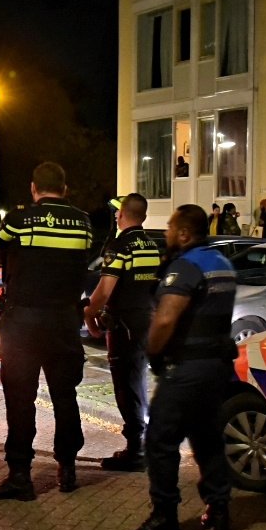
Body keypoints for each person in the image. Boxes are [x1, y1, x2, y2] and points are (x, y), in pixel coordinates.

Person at [127, 204, 239, 530]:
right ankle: (219, 508)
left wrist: (153, 352)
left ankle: (164, 517)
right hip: (217, 368)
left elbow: (165, 320)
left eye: (171, 228)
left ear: (185, 233)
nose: (167, 233)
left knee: (160, 440)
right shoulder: (222, 263)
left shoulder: (186, 266)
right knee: (207, 437)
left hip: (187, 369)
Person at [0, 161, 95, 500]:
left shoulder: (17, 220)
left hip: (23, 324)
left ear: (34, 188)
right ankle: (68, 467)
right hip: (64, 322)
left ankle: (20, 475)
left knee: (21, 399)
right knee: (65, 396)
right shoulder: (83, 223)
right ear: (65, 189)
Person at [84, 193, 163, 472]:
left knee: (126, 387)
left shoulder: (120, 247)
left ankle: (135, 451)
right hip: (146, 322)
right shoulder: (151, 245)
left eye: (118, 213)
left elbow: (105, 290)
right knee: (138, 382)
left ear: (121, 215)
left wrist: (89, 314)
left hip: (124, 327)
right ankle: (142, 444)